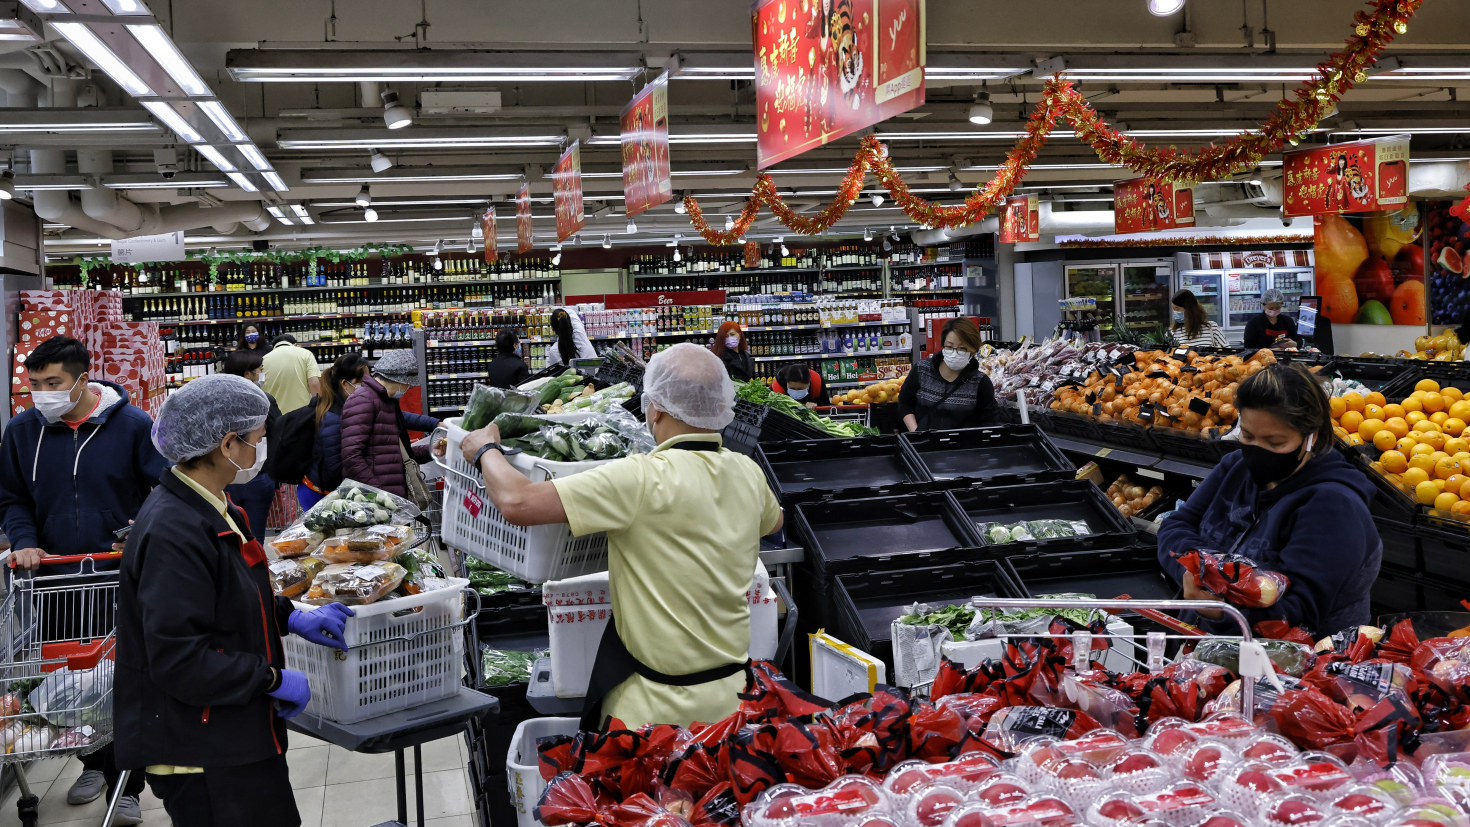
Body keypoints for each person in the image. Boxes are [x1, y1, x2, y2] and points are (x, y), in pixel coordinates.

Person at [455, 342, 782, 729]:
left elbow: (518, 502)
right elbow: (773, 522)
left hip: (654, 715)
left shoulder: (638, 477)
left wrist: (485, 450)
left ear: (655, 407)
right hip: (732, 703)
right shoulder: (747, 472)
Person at [115, 373, 355, 826]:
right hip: (203, 750)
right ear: (228, 444)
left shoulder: (215, 506)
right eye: (258, 439)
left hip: (230, 729)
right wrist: (269, 679)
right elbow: (179, 658)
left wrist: (290, 614)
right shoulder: (174, 531)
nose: (260, 450)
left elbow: (227, 595)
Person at [0, 335, 164, 824]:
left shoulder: (133, 426)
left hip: (118, 578)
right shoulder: (20, 432)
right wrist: (24, 540)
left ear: (82, 379)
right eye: (34, 384)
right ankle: (92, 760)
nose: (42, 394)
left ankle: (127, 782)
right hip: (55, 581)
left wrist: (139, 531)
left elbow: (164, 489)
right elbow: (12, 498)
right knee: (67, 682)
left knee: (124, 679)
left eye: (53, 383)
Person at [1156, 363, 1381, 636]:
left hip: (1295, 668)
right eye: (1248, 436)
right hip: (1206, 647)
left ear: (1312, 437)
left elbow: (1299, 609)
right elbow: (1177, 524)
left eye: (1275, 442)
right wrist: (1198, 571)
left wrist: (1224, 609)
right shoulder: (1236, 467)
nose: (1257, 451)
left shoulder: (1334, 505)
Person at [340, 350, 439, 498]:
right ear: (397, 379)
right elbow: (352, 457)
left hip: (391, 499)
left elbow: (395, 454)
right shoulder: (362, 400)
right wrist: (379, 495)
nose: (409, 388)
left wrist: (431, 450)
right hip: (375, 503)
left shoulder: (387, 402)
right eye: (407, 384)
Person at [220, 348, 283, 535]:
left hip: (224, 476)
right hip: (257, 476)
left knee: (227, 536)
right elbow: (277, 434)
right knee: (254, 538)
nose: (262, 374)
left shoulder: (217, 401)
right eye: (260, 369)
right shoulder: (264, 400)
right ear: (248, 373)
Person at [898, 317, 999, 431]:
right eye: (949, 347)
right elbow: (904, 403)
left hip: (962, 446)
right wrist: (916, 432)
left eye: (962, 348)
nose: (954, 352)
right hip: (923, 444)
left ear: (972, 350)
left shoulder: (981, 382)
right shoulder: (922, 370)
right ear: (943, 345)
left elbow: (989, 421)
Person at [299, 353, 369, 510]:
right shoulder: (333, 417)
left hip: (330, 492)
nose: (368, 386)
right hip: (319, 495)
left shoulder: (350, 405)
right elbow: (335, 469)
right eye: (363, 382)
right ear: (345, 384)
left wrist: (433, 423)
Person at [261, 333, 321, 413]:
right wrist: (319, 407)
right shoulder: (306, 354)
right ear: (295, 344)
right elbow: (314, 382)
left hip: (275, 415)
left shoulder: (263, 359)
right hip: (302, 413)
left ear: (273, 346)